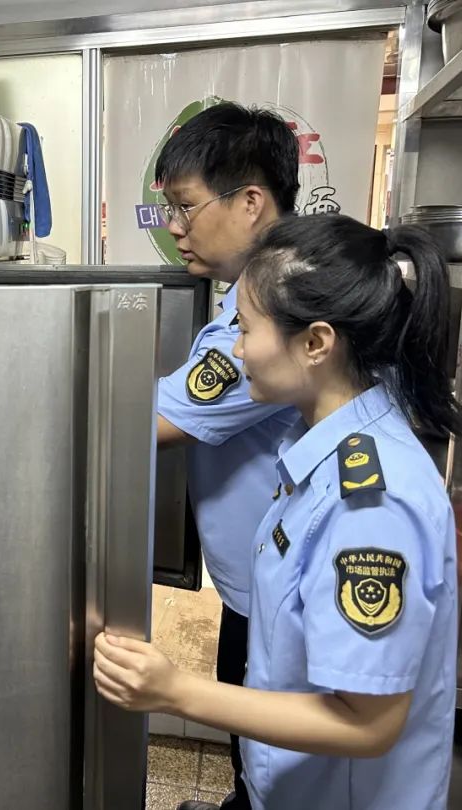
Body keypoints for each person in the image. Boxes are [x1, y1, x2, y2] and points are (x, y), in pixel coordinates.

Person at [95, 214, 459, 810]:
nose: (237, 349)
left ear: (316, 343)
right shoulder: (317, 443)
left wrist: (174, 691)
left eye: (246, 328)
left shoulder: (372, 504)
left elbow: (368, 724)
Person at [154, 102, 300, 810]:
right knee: (255, 745)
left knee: (269, 745)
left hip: (276, 592)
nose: (175, 227)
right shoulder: (260, 290)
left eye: (186, 206)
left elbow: (158, 420)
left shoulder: (280, 311)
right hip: (256, 579)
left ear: (249, 202)